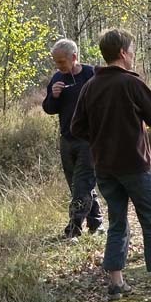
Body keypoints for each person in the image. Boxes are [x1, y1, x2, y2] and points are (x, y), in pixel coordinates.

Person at [71, 28, 151, 301]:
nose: (133, 55)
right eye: (132, 50)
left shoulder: (90, 86)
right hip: (134, 163)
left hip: (104, 167)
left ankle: (116, 283)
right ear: (123, 53)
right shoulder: (131, 83)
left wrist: (99, 139)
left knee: (117, 221)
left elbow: (77, 127)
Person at [42, 39, 104, 240]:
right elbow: (49, 108)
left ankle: (73, 228)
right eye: (56, 62)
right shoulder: (57, 78)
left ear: (74, 57)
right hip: (67, 140)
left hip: (89, 141)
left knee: (82, 183)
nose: (58, 66)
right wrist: (54, 95)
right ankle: (96, 222)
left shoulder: (92, 74)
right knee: (77, 185)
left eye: (61, 61)